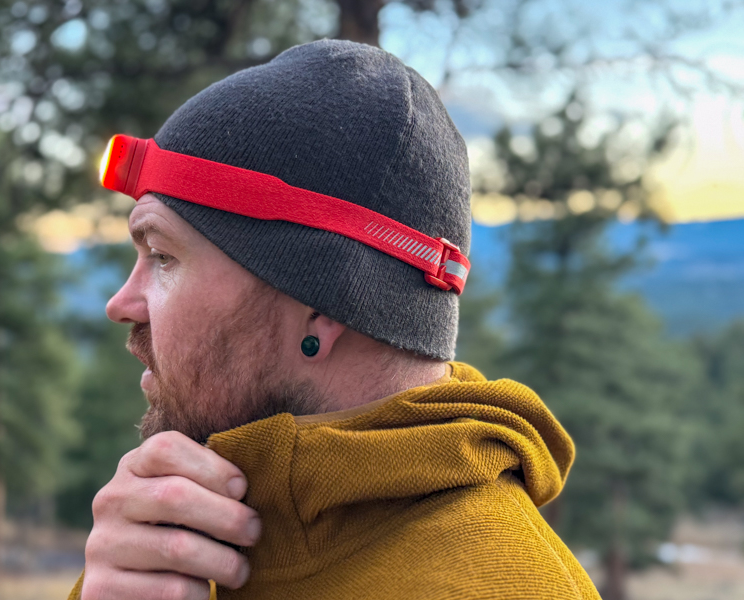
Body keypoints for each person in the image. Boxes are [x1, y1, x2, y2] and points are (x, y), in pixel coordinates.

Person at [68, 39, 601, 600]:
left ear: (320, 311)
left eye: (163, 256)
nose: (121, 304)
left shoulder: (496, 587)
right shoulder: (155, 548)